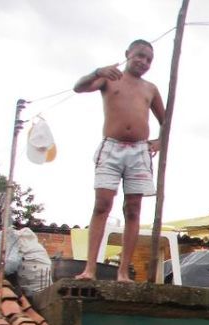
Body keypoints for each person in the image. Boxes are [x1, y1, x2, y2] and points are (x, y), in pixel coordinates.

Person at [74, 39, 165, 282]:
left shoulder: (150, 88)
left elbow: (165, 120)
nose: (143, 62)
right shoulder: (109, 78)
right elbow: (78, 87)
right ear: (127, 54)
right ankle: (90, 269)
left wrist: (159, 142)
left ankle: (123, 271)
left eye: (148, 59)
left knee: (133, 209)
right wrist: (97, 71)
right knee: (102, 204)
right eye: (139, 56)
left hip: (139, 152)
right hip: (111, 148)